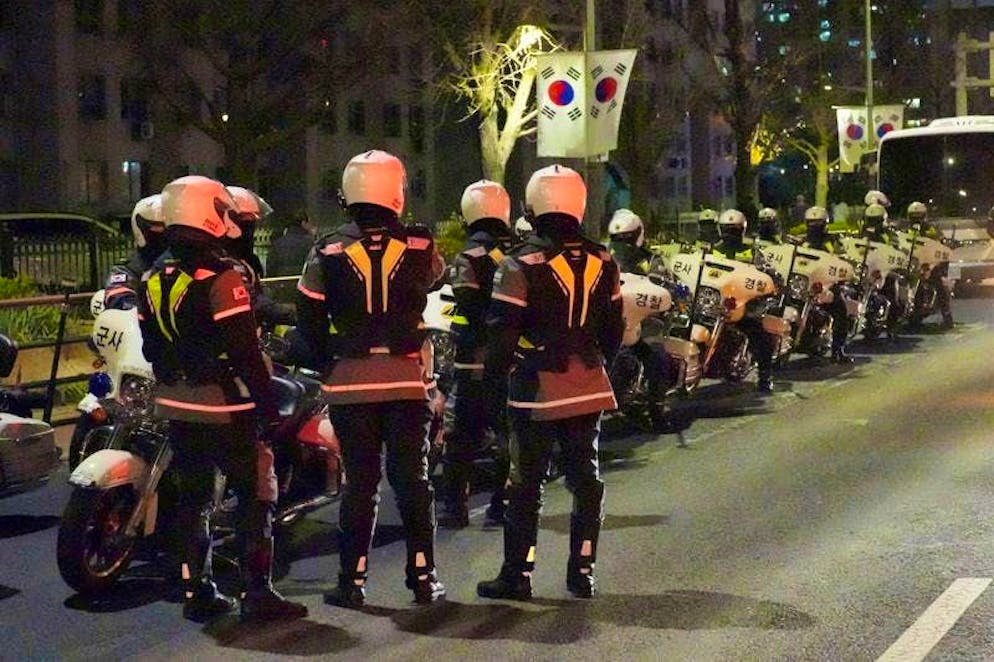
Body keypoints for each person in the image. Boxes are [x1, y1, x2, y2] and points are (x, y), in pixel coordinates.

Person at [137, 175, 307, 623]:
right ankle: (257, 592)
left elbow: (152, 348)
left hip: (176, 404)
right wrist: (268, 408)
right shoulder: (221, 277)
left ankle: (197, 591)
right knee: (257, 494)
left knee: (194, 499)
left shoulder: (153, 276)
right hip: (225, 405)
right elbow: (246, 352)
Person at [296, 150, 446, 609]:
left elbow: (308, 316)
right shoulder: (421, 244)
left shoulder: (326, 249)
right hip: (406, 380)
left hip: (349, 383)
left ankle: (352, 582)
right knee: (412, 479)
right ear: (396, 191)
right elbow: (434, 280)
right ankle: (423, 578)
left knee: (360, 484)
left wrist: (327, 361)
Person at [476, 164, 624, 601]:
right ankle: (583, 572)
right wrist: (595, 361)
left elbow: (502, 336)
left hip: (535, 388)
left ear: (533, 206)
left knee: (526, 484)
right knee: (586, 481)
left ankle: (518, 574)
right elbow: (613, 328)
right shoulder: (604, 259)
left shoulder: (519, 263)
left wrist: (493, 389)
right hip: (589, 383)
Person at [438, 179, 514, 529]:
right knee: (507, 434)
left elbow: (466, 307)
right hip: (508, 359)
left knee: (460, 437)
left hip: (472, 361)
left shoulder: (469, 256)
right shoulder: (516, 253)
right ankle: (502, 504)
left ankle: (455, 508)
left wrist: (449, 317)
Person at [713, 209, 776, 393]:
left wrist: (769, 280)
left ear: (742, 229)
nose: (730, 233)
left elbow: (766, 272)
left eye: (734, 229)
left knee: (761, 336)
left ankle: (765, 377)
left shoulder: (752, 252)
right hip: (715, 302)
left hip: (744, 304)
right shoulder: (711, 251)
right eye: (727, 229)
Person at [224, 185, 295, 328]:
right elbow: (253, 301)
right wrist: (293, 313)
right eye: (246, 225)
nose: (250, 232)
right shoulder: (224, 263)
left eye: (252, 225)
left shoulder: (246, 259)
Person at [802, 206, 854, 363]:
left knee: (841, 310)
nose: (815, 226)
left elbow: (843, 256)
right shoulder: (801, 242)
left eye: (817, 223)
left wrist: (845, 267)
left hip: (827, 283)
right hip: (805, 282)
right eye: (812, 223)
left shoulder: (833, 241)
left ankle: (838, 350)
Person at [103, 194, 166, 310]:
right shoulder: (129, 269)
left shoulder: (188, 262)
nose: (164, 236)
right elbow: (119, 299)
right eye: (157, 228)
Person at [906, 201, 953, 330]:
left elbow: (940, 243)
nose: (916, 219)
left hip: (930, 261)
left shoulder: (931, 229)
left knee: (940, 284)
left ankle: (947, 316)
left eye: (919, 216)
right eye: (913, 216)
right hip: (911, 261)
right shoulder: (906, 230)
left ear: (924, 216)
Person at [267, 209, 317, 277]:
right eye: (309, 223)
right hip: (303, 281)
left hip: (282, 281)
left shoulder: (278, 244)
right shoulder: (310, 243)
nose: (311, 226)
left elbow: (270, 269)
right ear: (303, 223)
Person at [607, 208, 652, 274]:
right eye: (617, 237)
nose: (621, 243)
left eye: (626, 236)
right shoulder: (604, 253)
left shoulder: (648, 258)